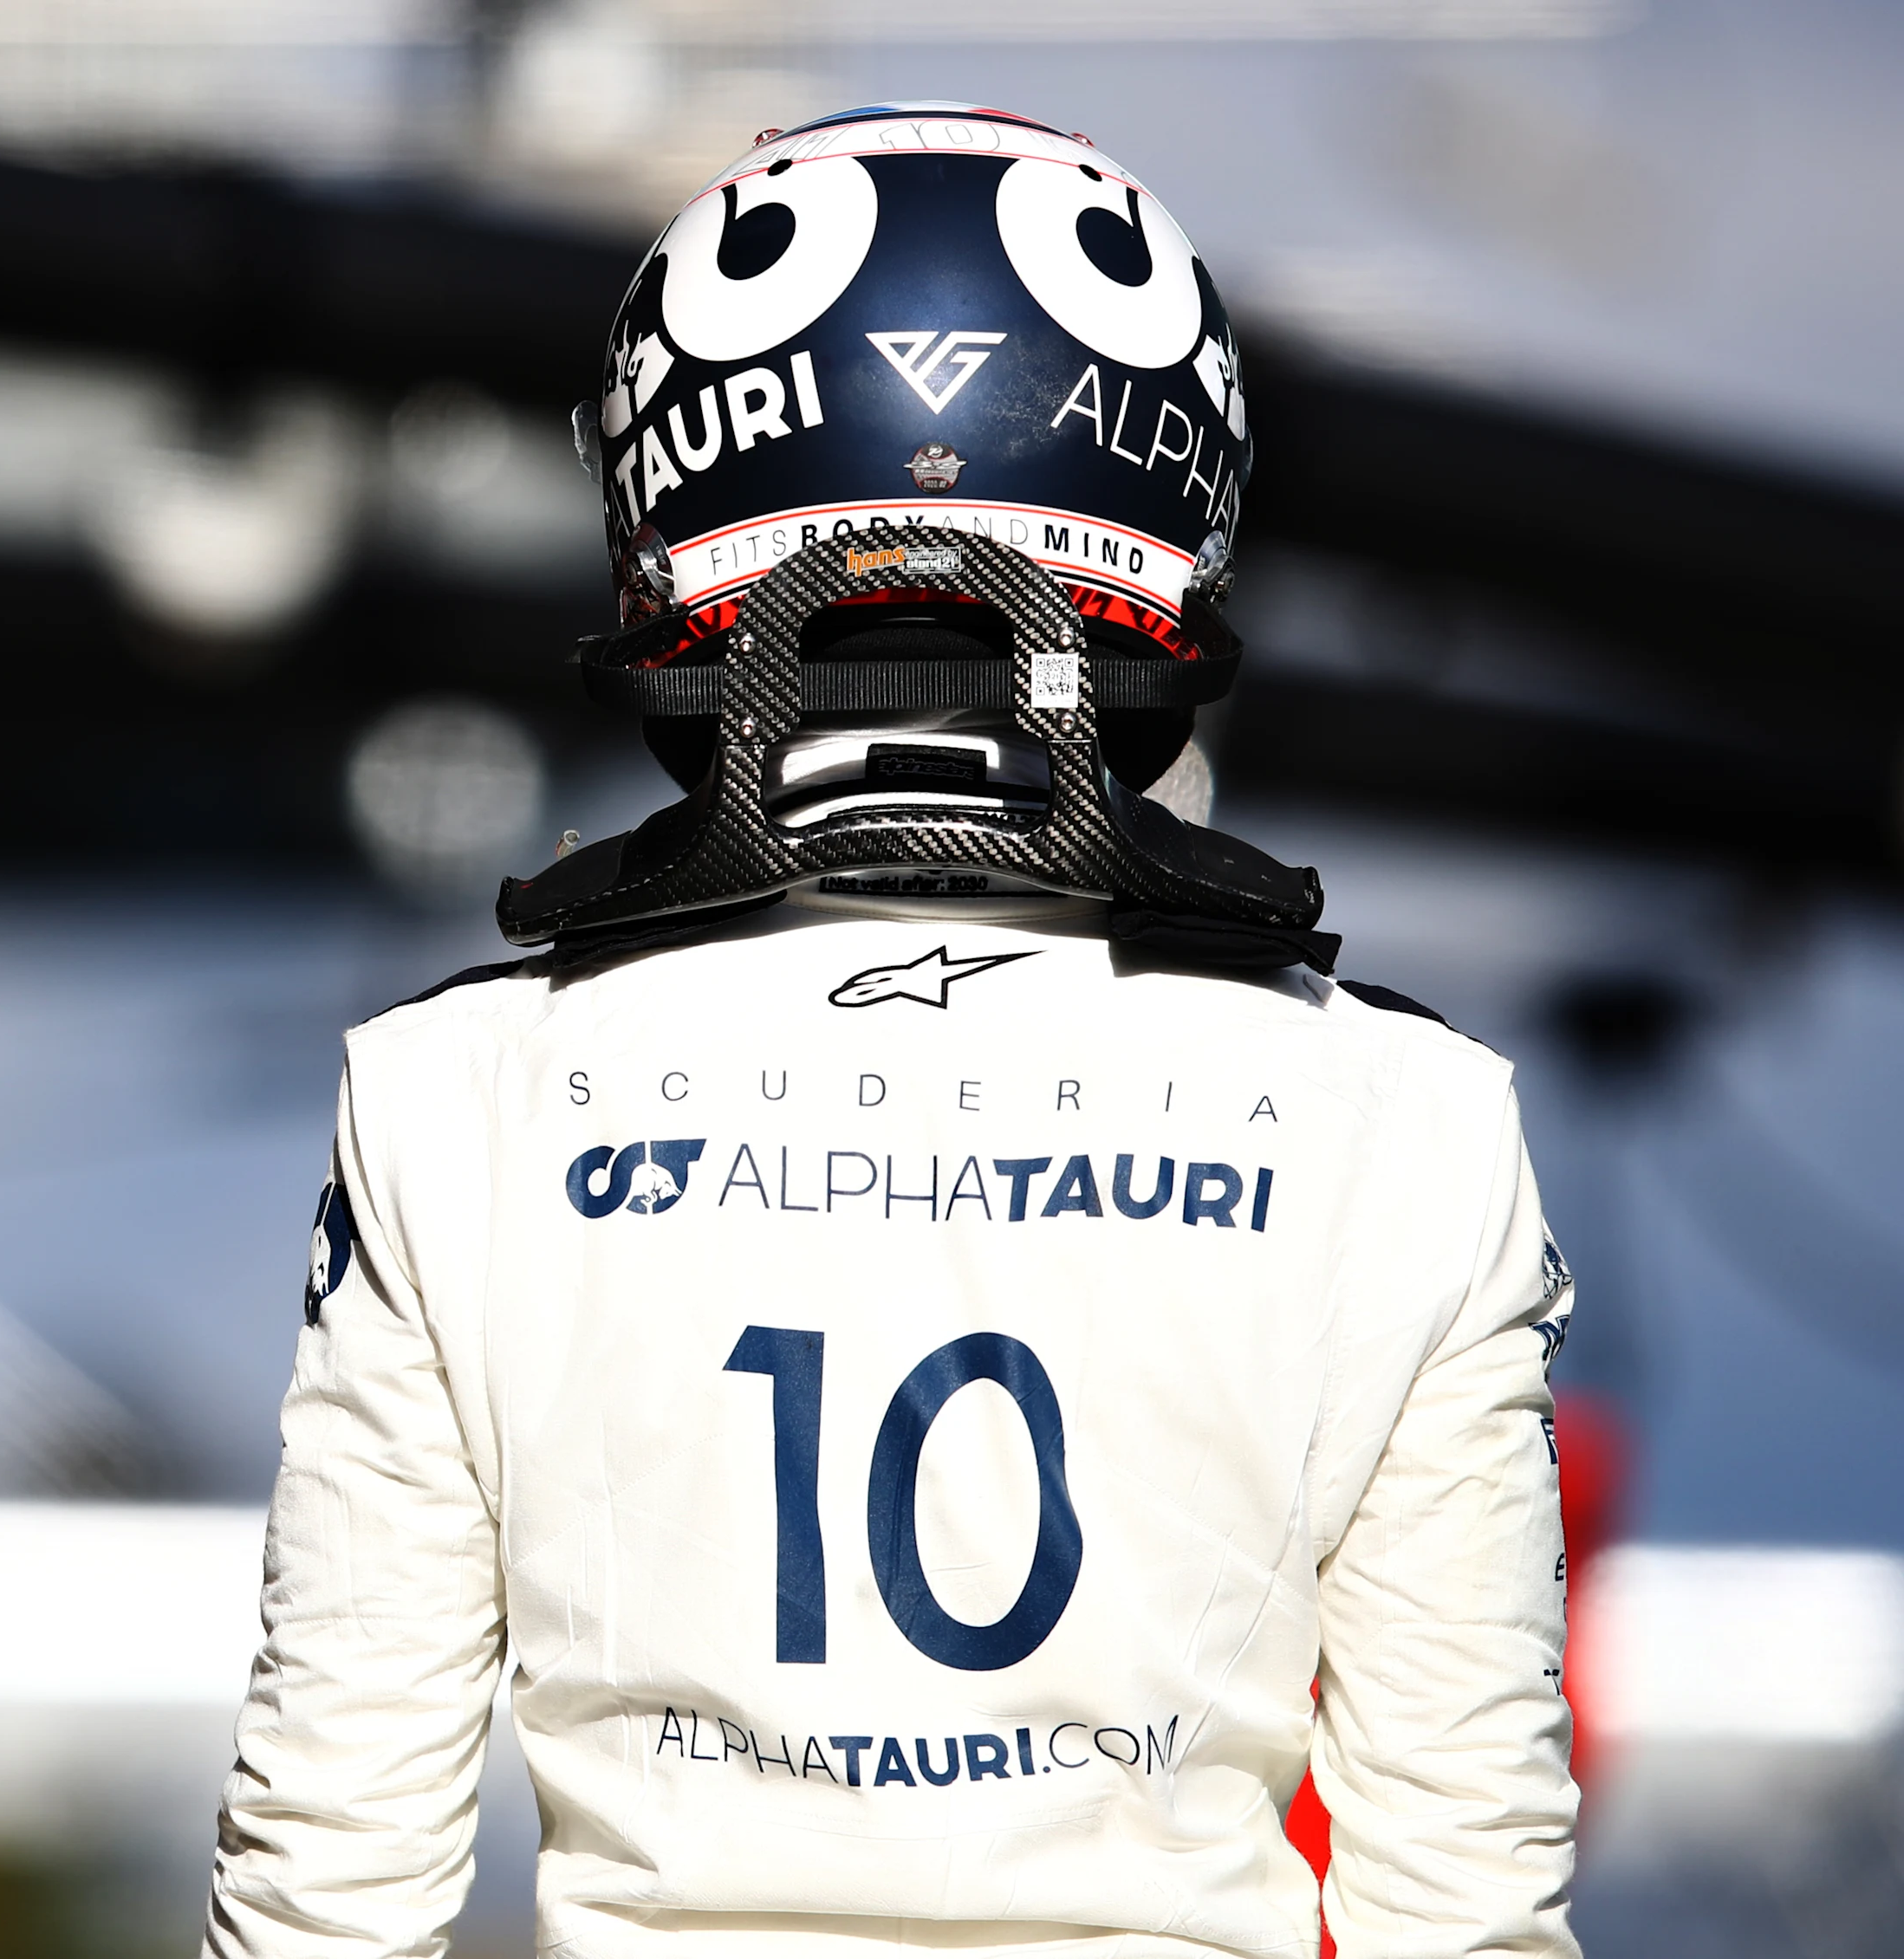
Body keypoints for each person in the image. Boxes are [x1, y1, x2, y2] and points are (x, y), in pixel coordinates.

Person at [207, 102, 1578, 1959]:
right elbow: (1462, 1901)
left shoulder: (457, 1094)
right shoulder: (1406, 1122)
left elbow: (326, 1889)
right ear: (1176, 517)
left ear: (660, 508)